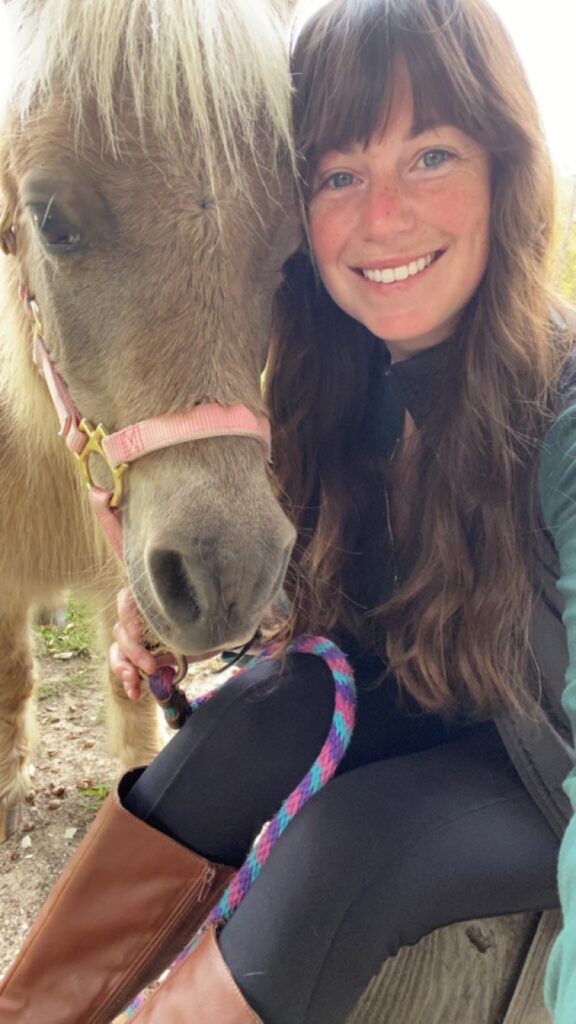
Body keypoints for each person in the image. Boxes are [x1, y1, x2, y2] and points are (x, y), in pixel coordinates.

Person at [2, 0, 575, 1021]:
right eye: (339, 174)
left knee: (353, 849)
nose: (382, 217)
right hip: (429, 706)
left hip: (553, 776)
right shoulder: (339, 376)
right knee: (245, 727)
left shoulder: (564, 411)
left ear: (505, 167)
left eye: (433, 155)